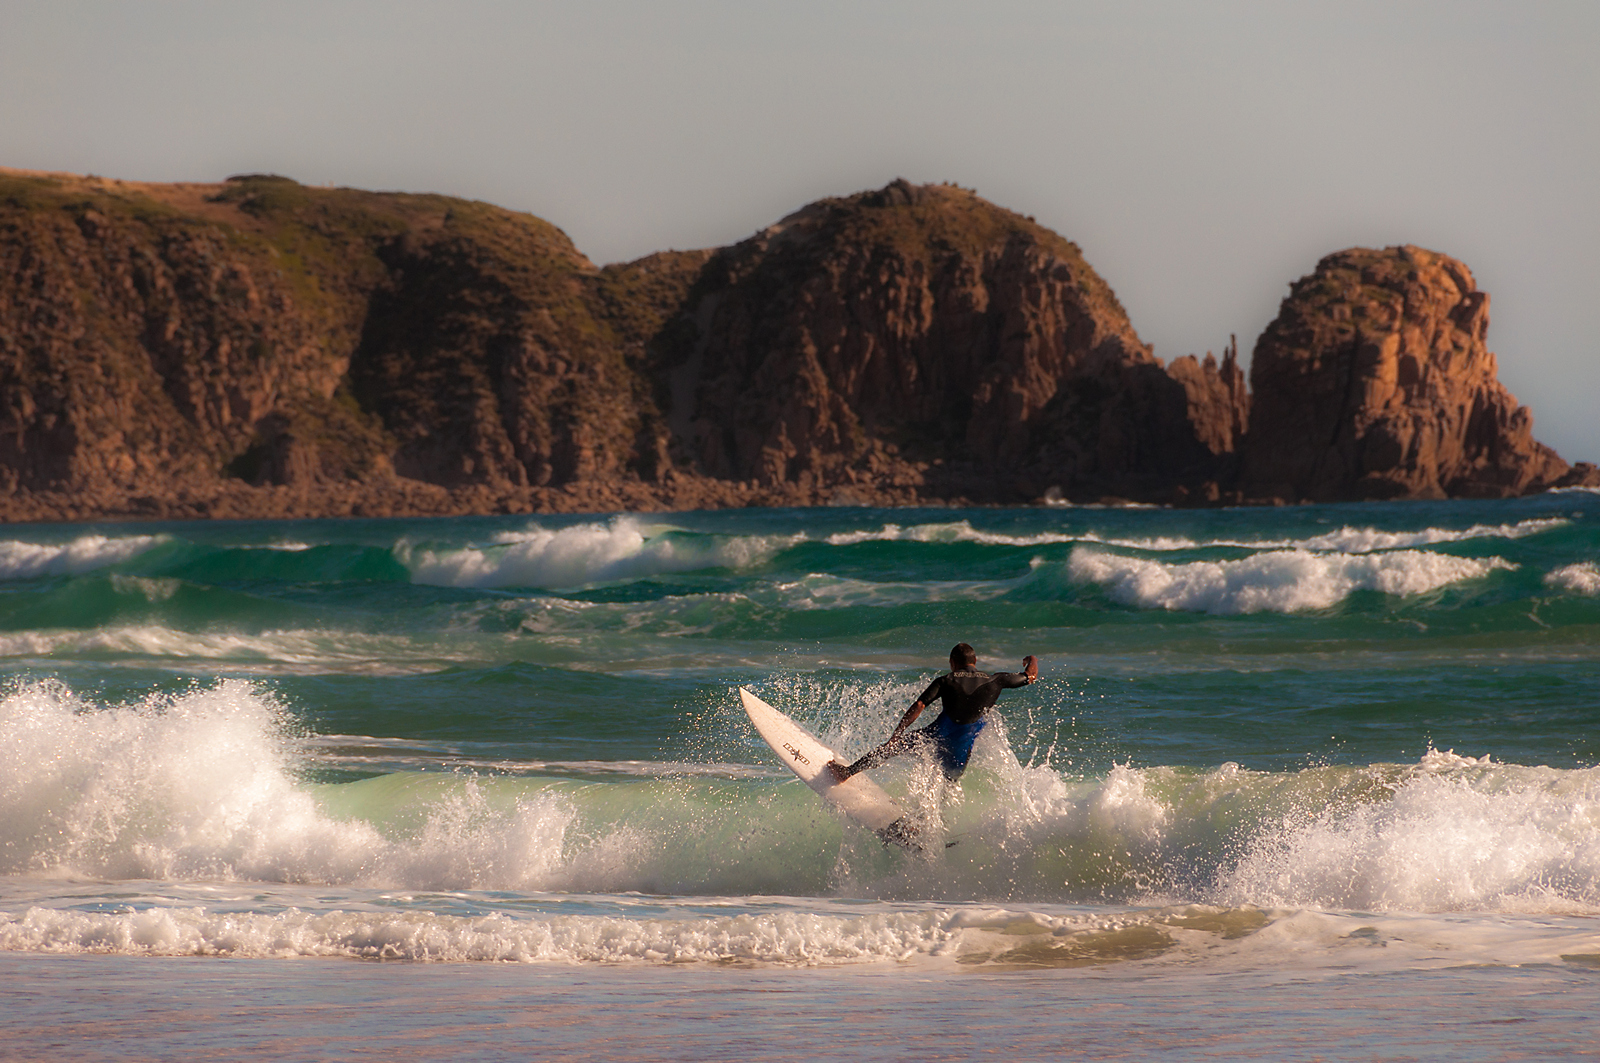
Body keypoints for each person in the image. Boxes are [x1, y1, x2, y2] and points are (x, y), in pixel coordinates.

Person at [829, 643, 1038, 783]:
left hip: (937, 735)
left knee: (890, 750)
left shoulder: (946, 680)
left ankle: (847, 772)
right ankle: (934, 828)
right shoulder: (996, 680)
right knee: (947, 784)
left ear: (953, 662)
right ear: (975, 661)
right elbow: (1030, 677)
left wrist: (897, 734)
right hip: (961, 750)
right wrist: (1033, 659)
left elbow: (920, 705)